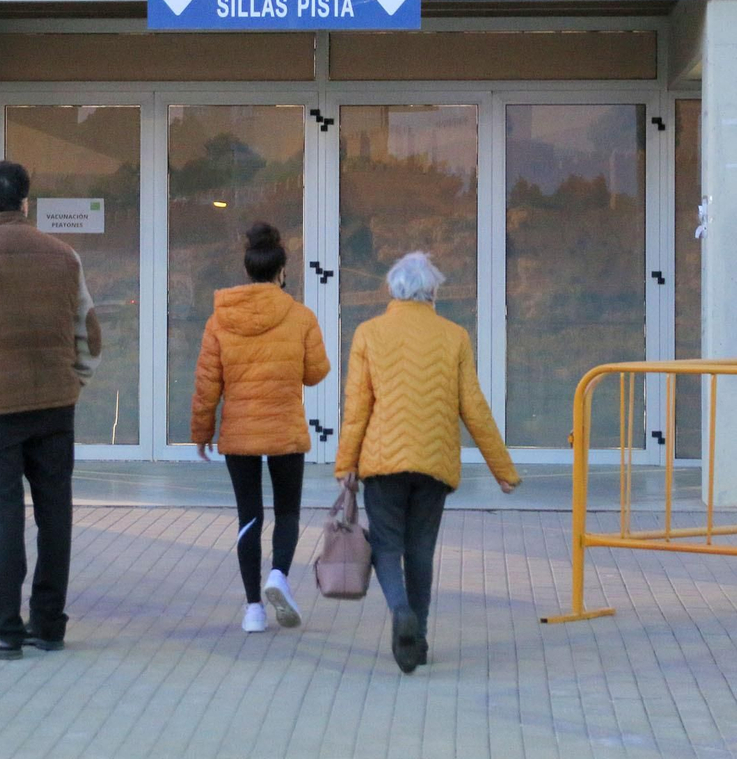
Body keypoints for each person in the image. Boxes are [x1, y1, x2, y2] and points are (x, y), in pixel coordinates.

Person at [0, 161, 101, 659]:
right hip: (56, 404)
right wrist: (75, 381)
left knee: (4, 514)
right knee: (56, 514)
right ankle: (49, 624)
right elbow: (89, 332)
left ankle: (3, 626)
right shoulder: (65, 255)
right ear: (26, 203)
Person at [334, 252, 521, 674]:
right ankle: (416, 640)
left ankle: (400, 610)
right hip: (435, 462)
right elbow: (473, 406)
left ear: (392, 290)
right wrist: (503, 470)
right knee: (421, 549)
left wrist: (346, 461)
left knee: (386, 546)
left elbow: (357, 407)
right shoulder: (454, 335)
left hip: (383, 462)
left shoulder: (369, 333)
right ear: (432, 292)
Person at [191, 222, 329, 634]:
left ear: (248, 270)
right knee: (287, 512)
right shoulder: (301, 316)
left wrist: (201, 433)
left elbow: (206, 384)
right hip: (285, 427)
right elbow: (316, 373)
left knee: (248, 516)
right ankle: (279, 576)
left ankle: (253, 608)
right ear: (281, 271)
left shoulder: (220, 321)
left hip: (240, 433)